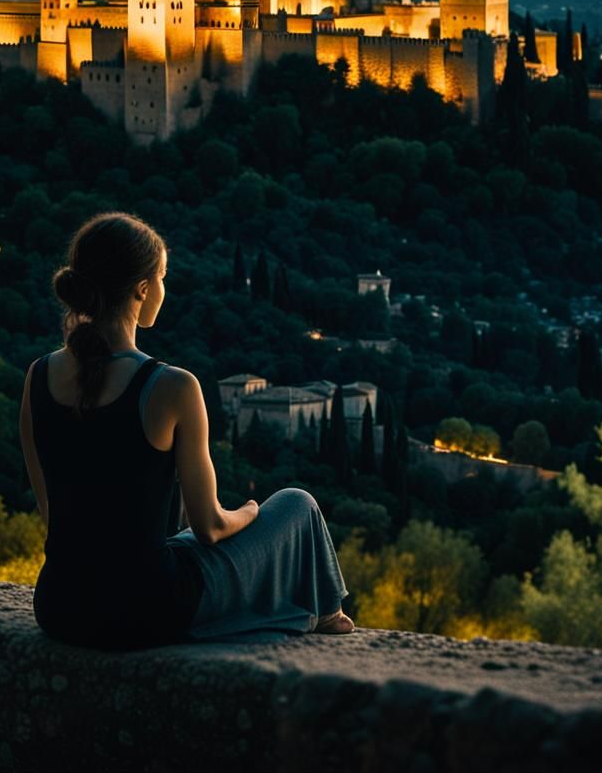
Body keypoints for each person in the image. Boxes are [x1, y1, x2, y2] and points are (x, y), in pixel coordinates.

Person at [19, 210, 354, 649]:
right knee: (297, 504)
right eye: (162, 278)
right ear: (142, 289)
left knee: (175, 545)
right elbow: (211, 526)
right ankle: (324, 613)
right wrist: (252, 513)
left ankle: (313, 614)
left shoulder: (38, 376)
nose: (163, 289)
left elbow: (56, 517)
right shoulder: (173, 386)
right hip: (145, 610)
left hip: (60, 607)